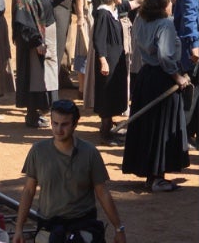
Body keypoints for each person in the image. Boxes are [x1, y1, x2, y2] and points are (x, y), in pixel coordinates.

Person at [13, 99, 123, 243]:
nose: (59, 130)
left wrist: (118, 228)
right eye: (55, 123)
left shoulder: (90, 153)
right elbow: (28, 190)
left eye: (64, 124)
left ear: (75, 124)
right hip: (49, 226)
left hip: (82, 225)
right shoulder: (38, 151)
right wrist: (19, 229)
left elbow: (102, 192)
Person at [122, 0, 190, 192]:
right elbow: (165, 55)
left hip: (146, 77)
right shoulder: (165, 24)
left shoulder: (141, 20)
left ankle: (151, 173)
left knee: (148, 128)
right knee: (161, 127)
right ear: (162, 6)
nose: (172, 6)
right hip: (162, 79)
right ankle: (158, 177)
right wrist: (177, 76)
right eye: (169, 3)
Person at [10, 0, 57, 129]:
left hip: (45, 35)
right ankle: (32, 115)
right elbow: (24, 22)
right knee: (34, 77)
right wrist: (37, 41)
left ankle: (39, 111)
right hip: (33, 41)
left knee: (43, 76)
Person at [90, 0, 129, 142]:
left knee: (113, 93)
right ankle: (105, 133)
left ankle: (110, 128)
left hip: (116, 60)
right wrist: (103, 61)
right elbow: (98, 40)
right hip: (108, 63)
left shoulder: (113, 10)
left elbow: (133, 4)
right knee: (107, 95)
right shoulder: (104, 14)